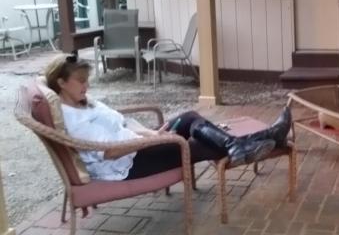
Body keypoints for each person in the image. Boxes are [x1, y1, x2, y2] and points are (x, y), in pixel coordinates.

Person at [44, 53, 292, 181]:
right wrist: (152, 142)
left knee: (188, 117)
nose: (86, 86)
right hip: (127, 164)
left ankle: (237, 145)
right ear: (61, 82)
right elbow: (109, 152)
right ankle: (264, 138)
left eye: (87, 80)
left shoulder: (85, 104)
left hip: (138, 145)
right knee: (200, 144)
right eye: (81, 81)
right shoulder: (73, 120)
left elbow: (122, 125)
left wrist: (152, 134)